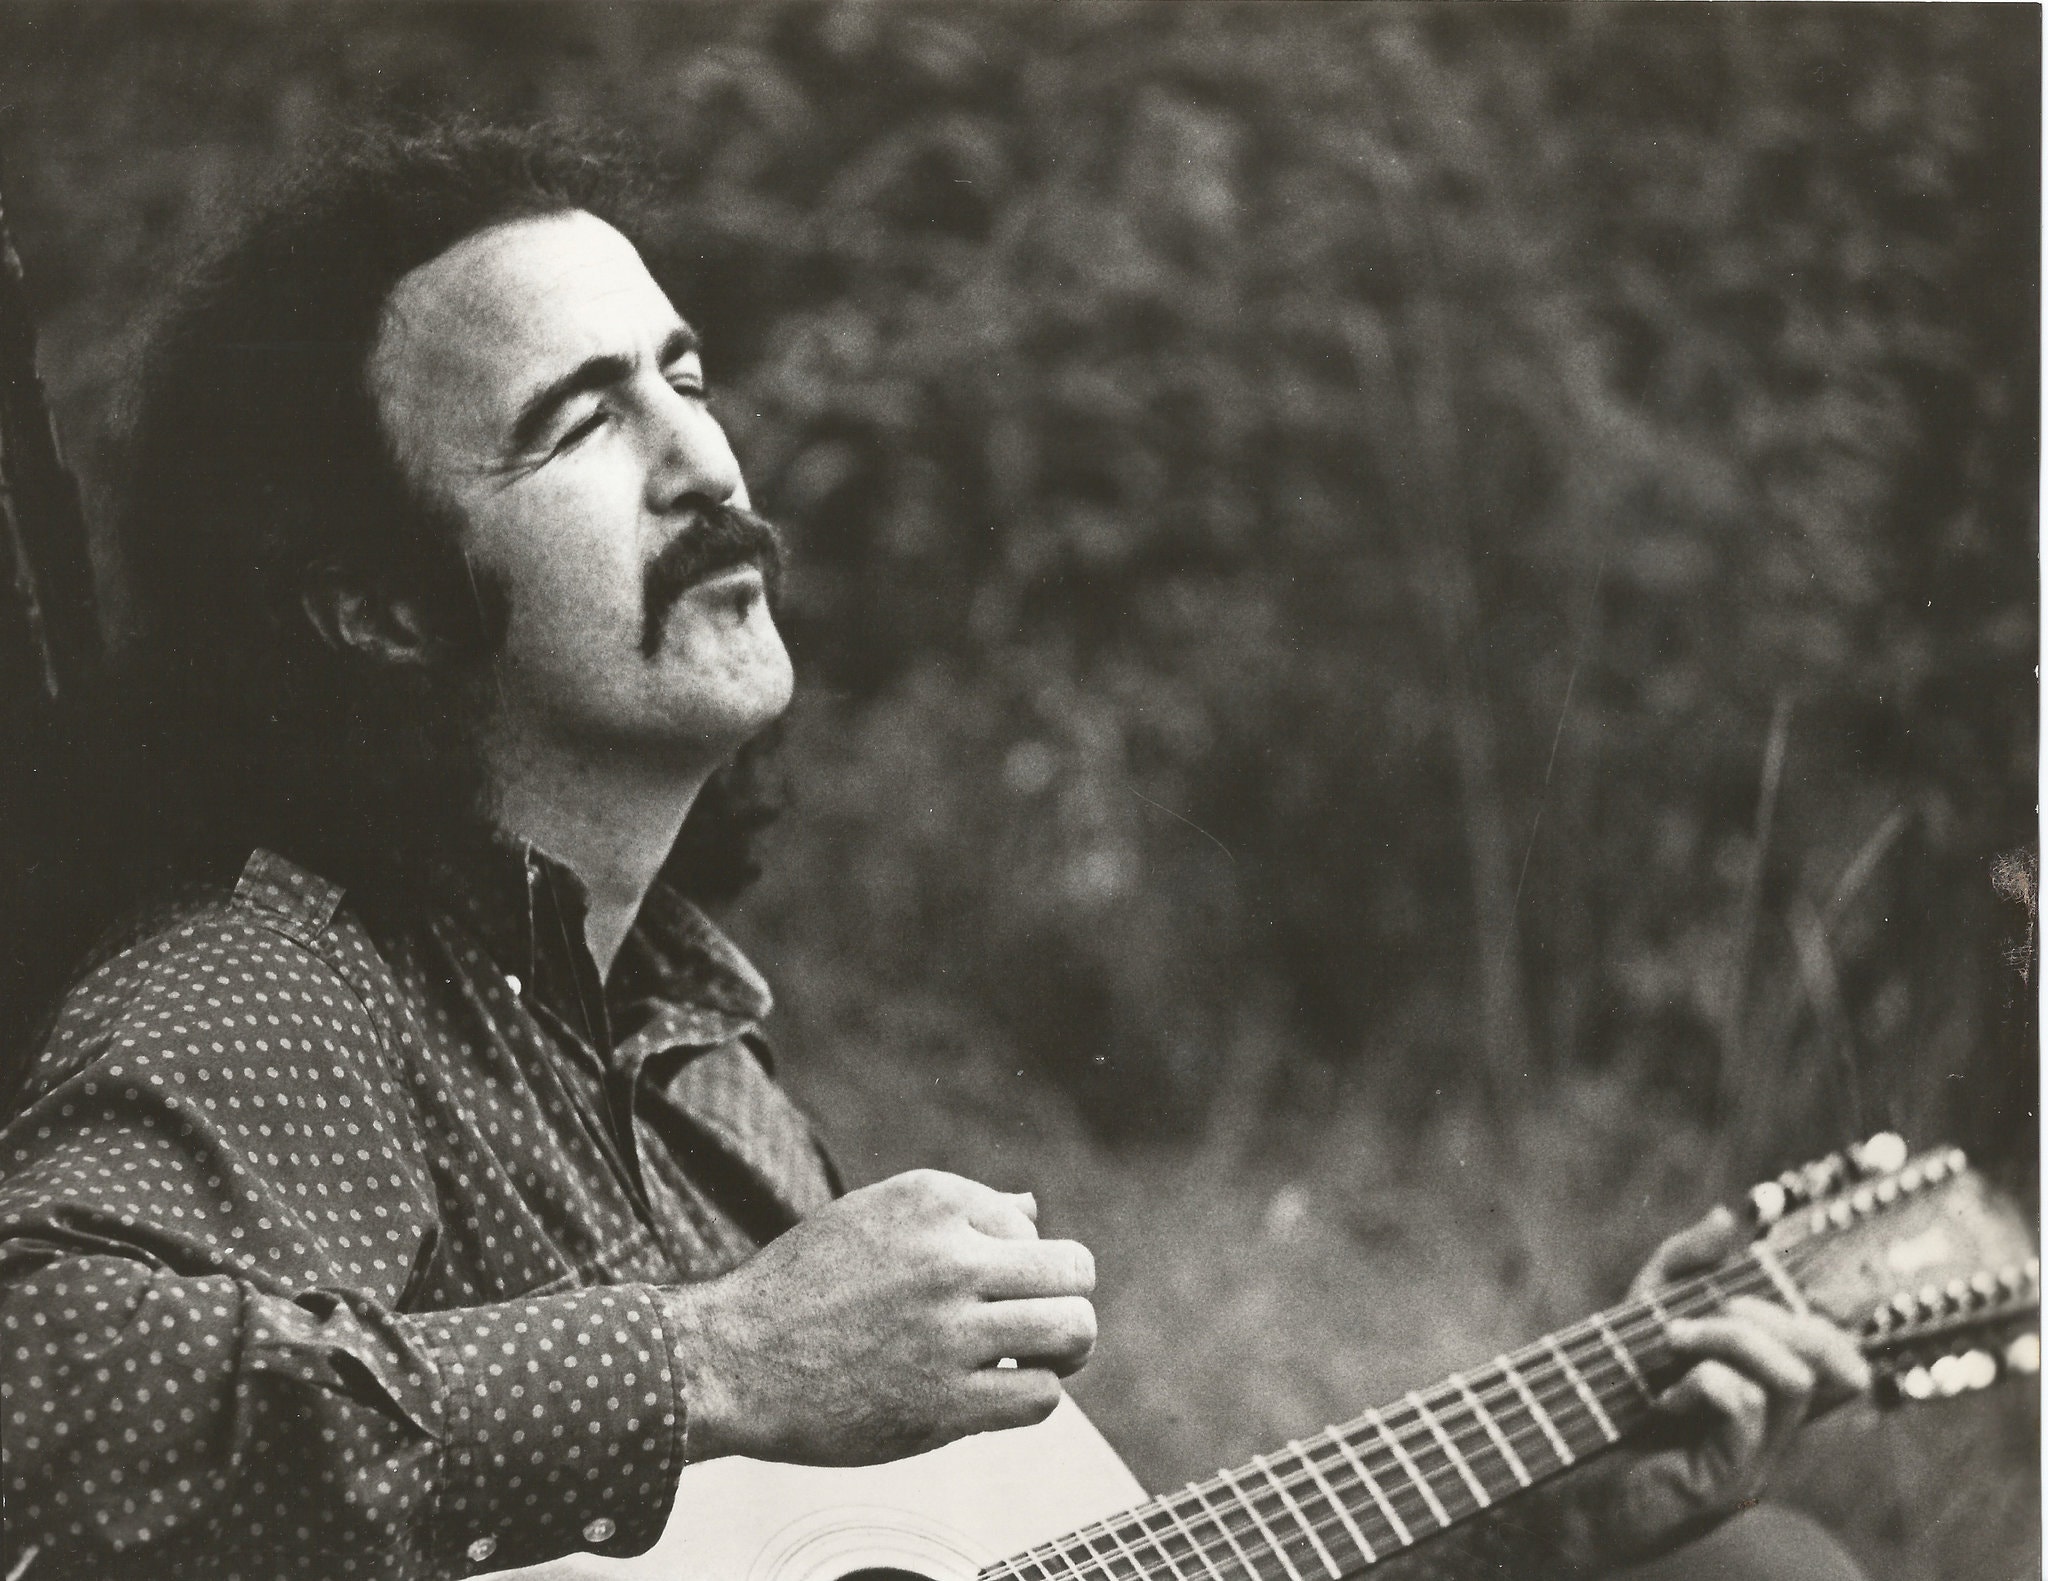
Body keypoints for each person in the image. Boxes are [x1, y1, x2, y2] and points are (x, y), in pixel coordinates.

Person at [0, 121, 1870, 1581]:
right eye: (582, 422)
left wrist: (1549, 1504)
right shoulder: (289, 983)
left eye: (684, 374)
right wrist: (721, 1361)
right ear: (372, 610)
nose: (707, 467)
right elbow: (42, 1381)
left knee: (1748, 1556)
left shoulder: (691, 1060)